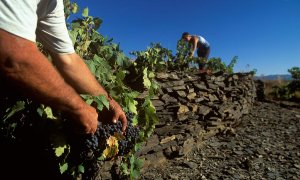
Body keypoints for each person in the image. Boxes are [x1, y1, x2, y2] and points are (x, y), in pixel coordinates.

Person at [0, 0, 127, 135]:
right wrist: (78, 107)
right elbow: (14, 57)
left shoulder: (53, 4)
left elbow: (68, 60)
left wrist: (108, 101)